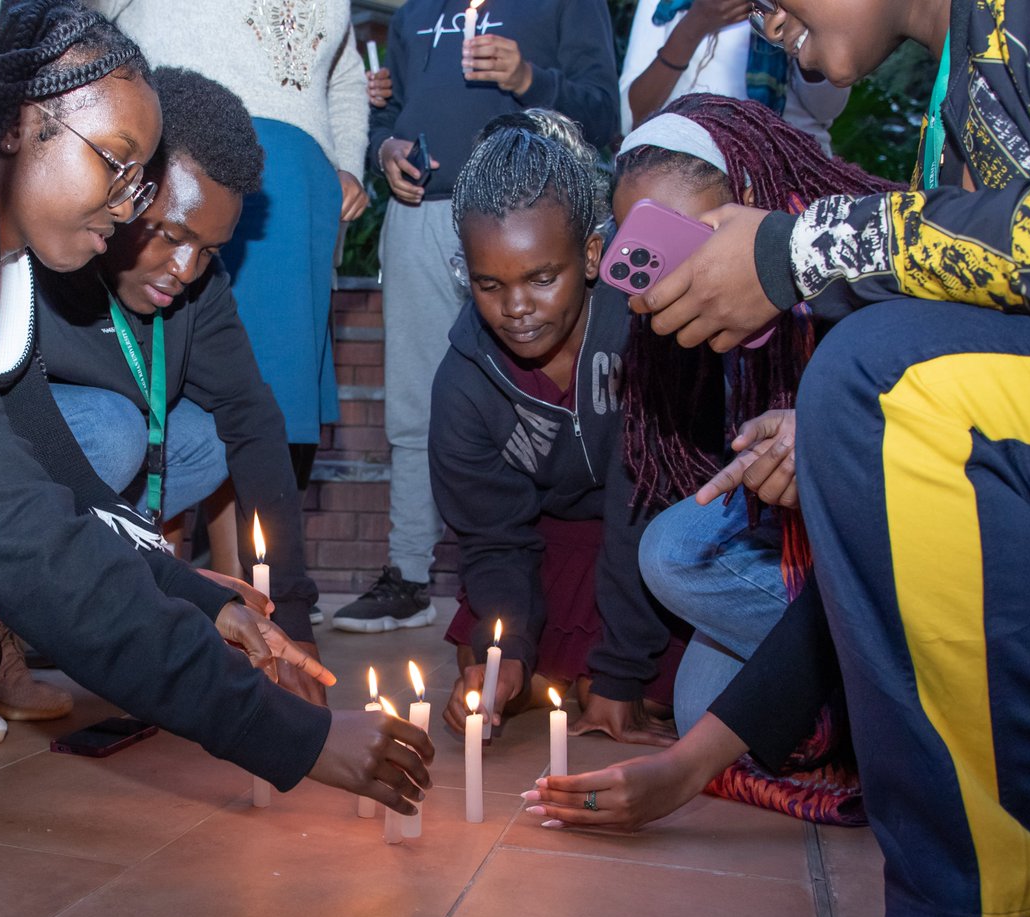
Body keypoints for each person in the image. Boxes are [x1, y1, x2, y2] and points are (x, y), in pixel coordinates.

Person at [0, 14, 432, 917]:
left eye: (143, 173)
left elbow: (64, 495)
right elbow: (39, 548)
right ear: (12, 124)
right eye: (117, 162)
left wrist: (204, 599)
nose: (135, 201)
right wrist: (300, 738)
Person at [616, 0, 1030, 917]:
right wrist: (842, 434)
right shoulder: (961, 83)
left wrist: (800, 252)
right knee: (862, 396)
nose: (758, 8)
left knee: (875, 380)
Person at [527, 94, 891, 824]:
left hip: (895, 534)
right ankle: (852, 680)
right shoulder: (673, 324)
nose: (674, 267)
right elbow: (645, 477)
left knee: (672, 552)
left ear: (754, 196)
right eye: (651, 244)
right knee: (699, 706)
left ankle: (891, 675)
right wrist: (620, 672)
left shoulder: (862, 250)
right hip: (790, 547)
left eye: (693, 237)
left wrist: (827, 439)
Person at [36, 65, 326, 701]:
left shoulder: (198, 287)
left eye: (208, 250)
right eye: (169, 234)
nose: (184, 270)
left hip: (100, 494)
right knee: (115, 431)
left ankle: (107, 595)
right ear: (125, 188)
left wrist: (297, 622)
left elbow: (254, 420)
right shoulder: (45, 250)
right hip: (4, 478)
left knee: (207, 437)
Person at [332, 0, 619, 633]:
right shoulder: (412, 14)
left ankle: (526, 572)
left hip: (533, 228)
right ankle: (409, 576)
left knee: (535, 393)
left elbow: (604, 113)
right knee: (414, 402)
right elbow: (393, 118)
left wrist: (527, 82)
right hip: (424, 216)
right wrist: (385, 150)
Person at [429, 110, 682, 747]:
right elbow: (493, 539)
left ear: (592, 255)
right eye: (490, 284)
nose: (516, 309)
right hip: (553, 545)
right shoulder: (464, 380)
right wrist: (509, 648)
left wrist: (622, 673)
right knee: (485, 665)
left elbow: (643, 502)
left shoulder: (644, 333)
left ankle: (608, 673)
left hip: (655, 540)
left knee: (654, 695)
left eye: (542, 279)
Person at [98, 0, 370, 492]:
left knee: (272, 409)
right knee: (157, 392)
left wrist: (347, 158)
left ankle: (255, 567)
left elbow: (346, 73)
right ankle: (155, 558)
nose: (187, 267)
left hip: (293, 192)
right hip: (174, 168)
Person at [618, 0, 850, 153]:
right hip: (680, 173)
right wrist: (696, 24)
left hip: (790, 179)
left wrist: (798, 24)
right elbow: (630, 118)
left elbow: (827, 108)